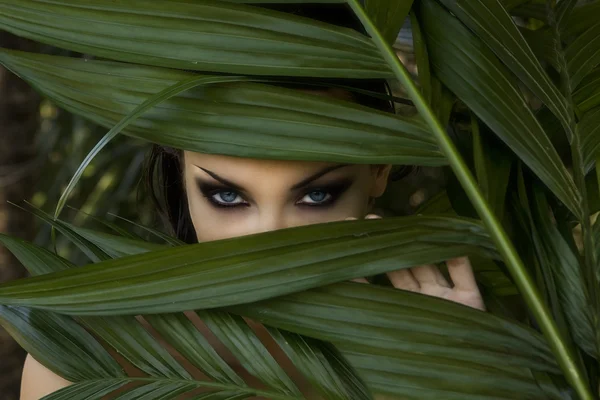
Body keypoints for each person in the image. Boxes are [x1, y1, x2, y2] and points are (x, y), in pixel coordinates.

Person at [19, 6, 485, 400]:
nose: (270, 248)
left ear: (380, 170)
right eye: (227, 196)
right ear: (180, 170)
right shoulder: (81, 362)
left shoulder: (440, 360)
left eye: (316, 195)